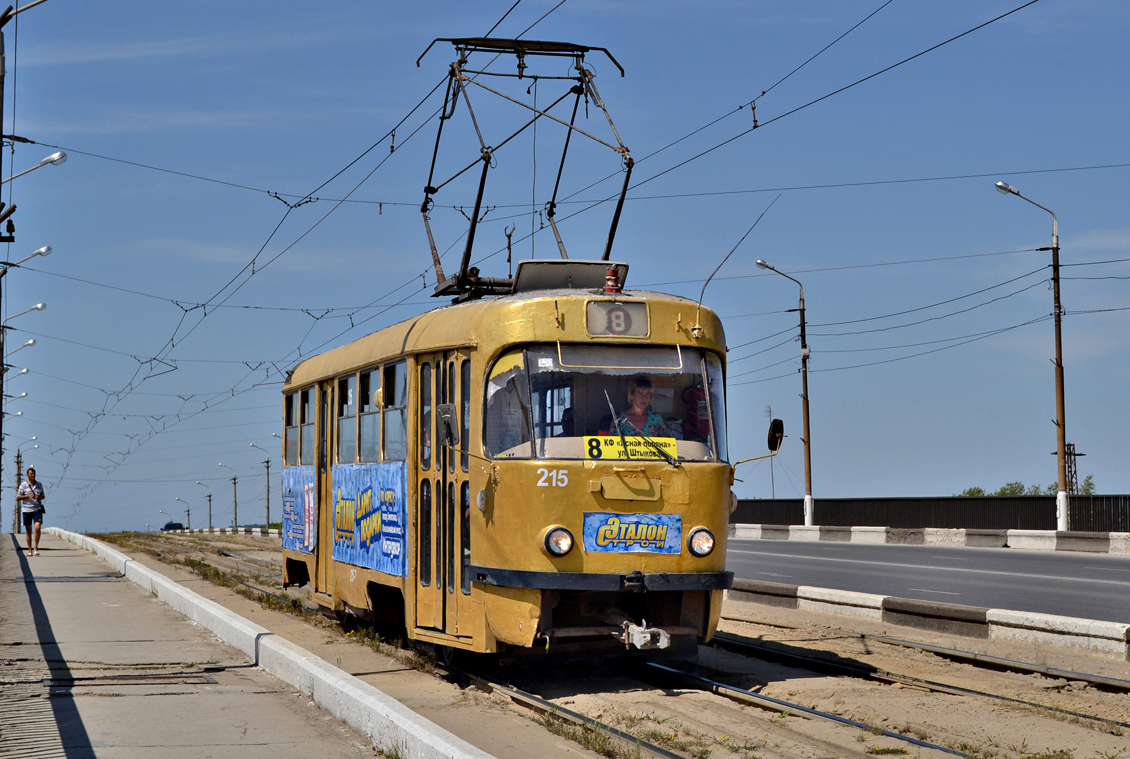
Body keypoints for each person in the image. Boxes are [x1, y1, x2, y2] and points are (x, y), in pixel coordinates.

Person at [18, 467, 46, 556]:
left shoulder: (39, 485)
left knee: (37, 527)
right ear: (27, 475)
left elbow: (43, 496)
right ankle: (30, 549)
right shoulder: (23, 485)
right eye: (31, 474)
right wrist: (28, 496)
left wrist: (38, 497)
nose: (33, 475)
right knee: (28, 530)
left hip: (37, 509)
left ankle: (36, 547)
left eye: (34, 474)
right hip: (26, 510)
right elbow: (18, 497)